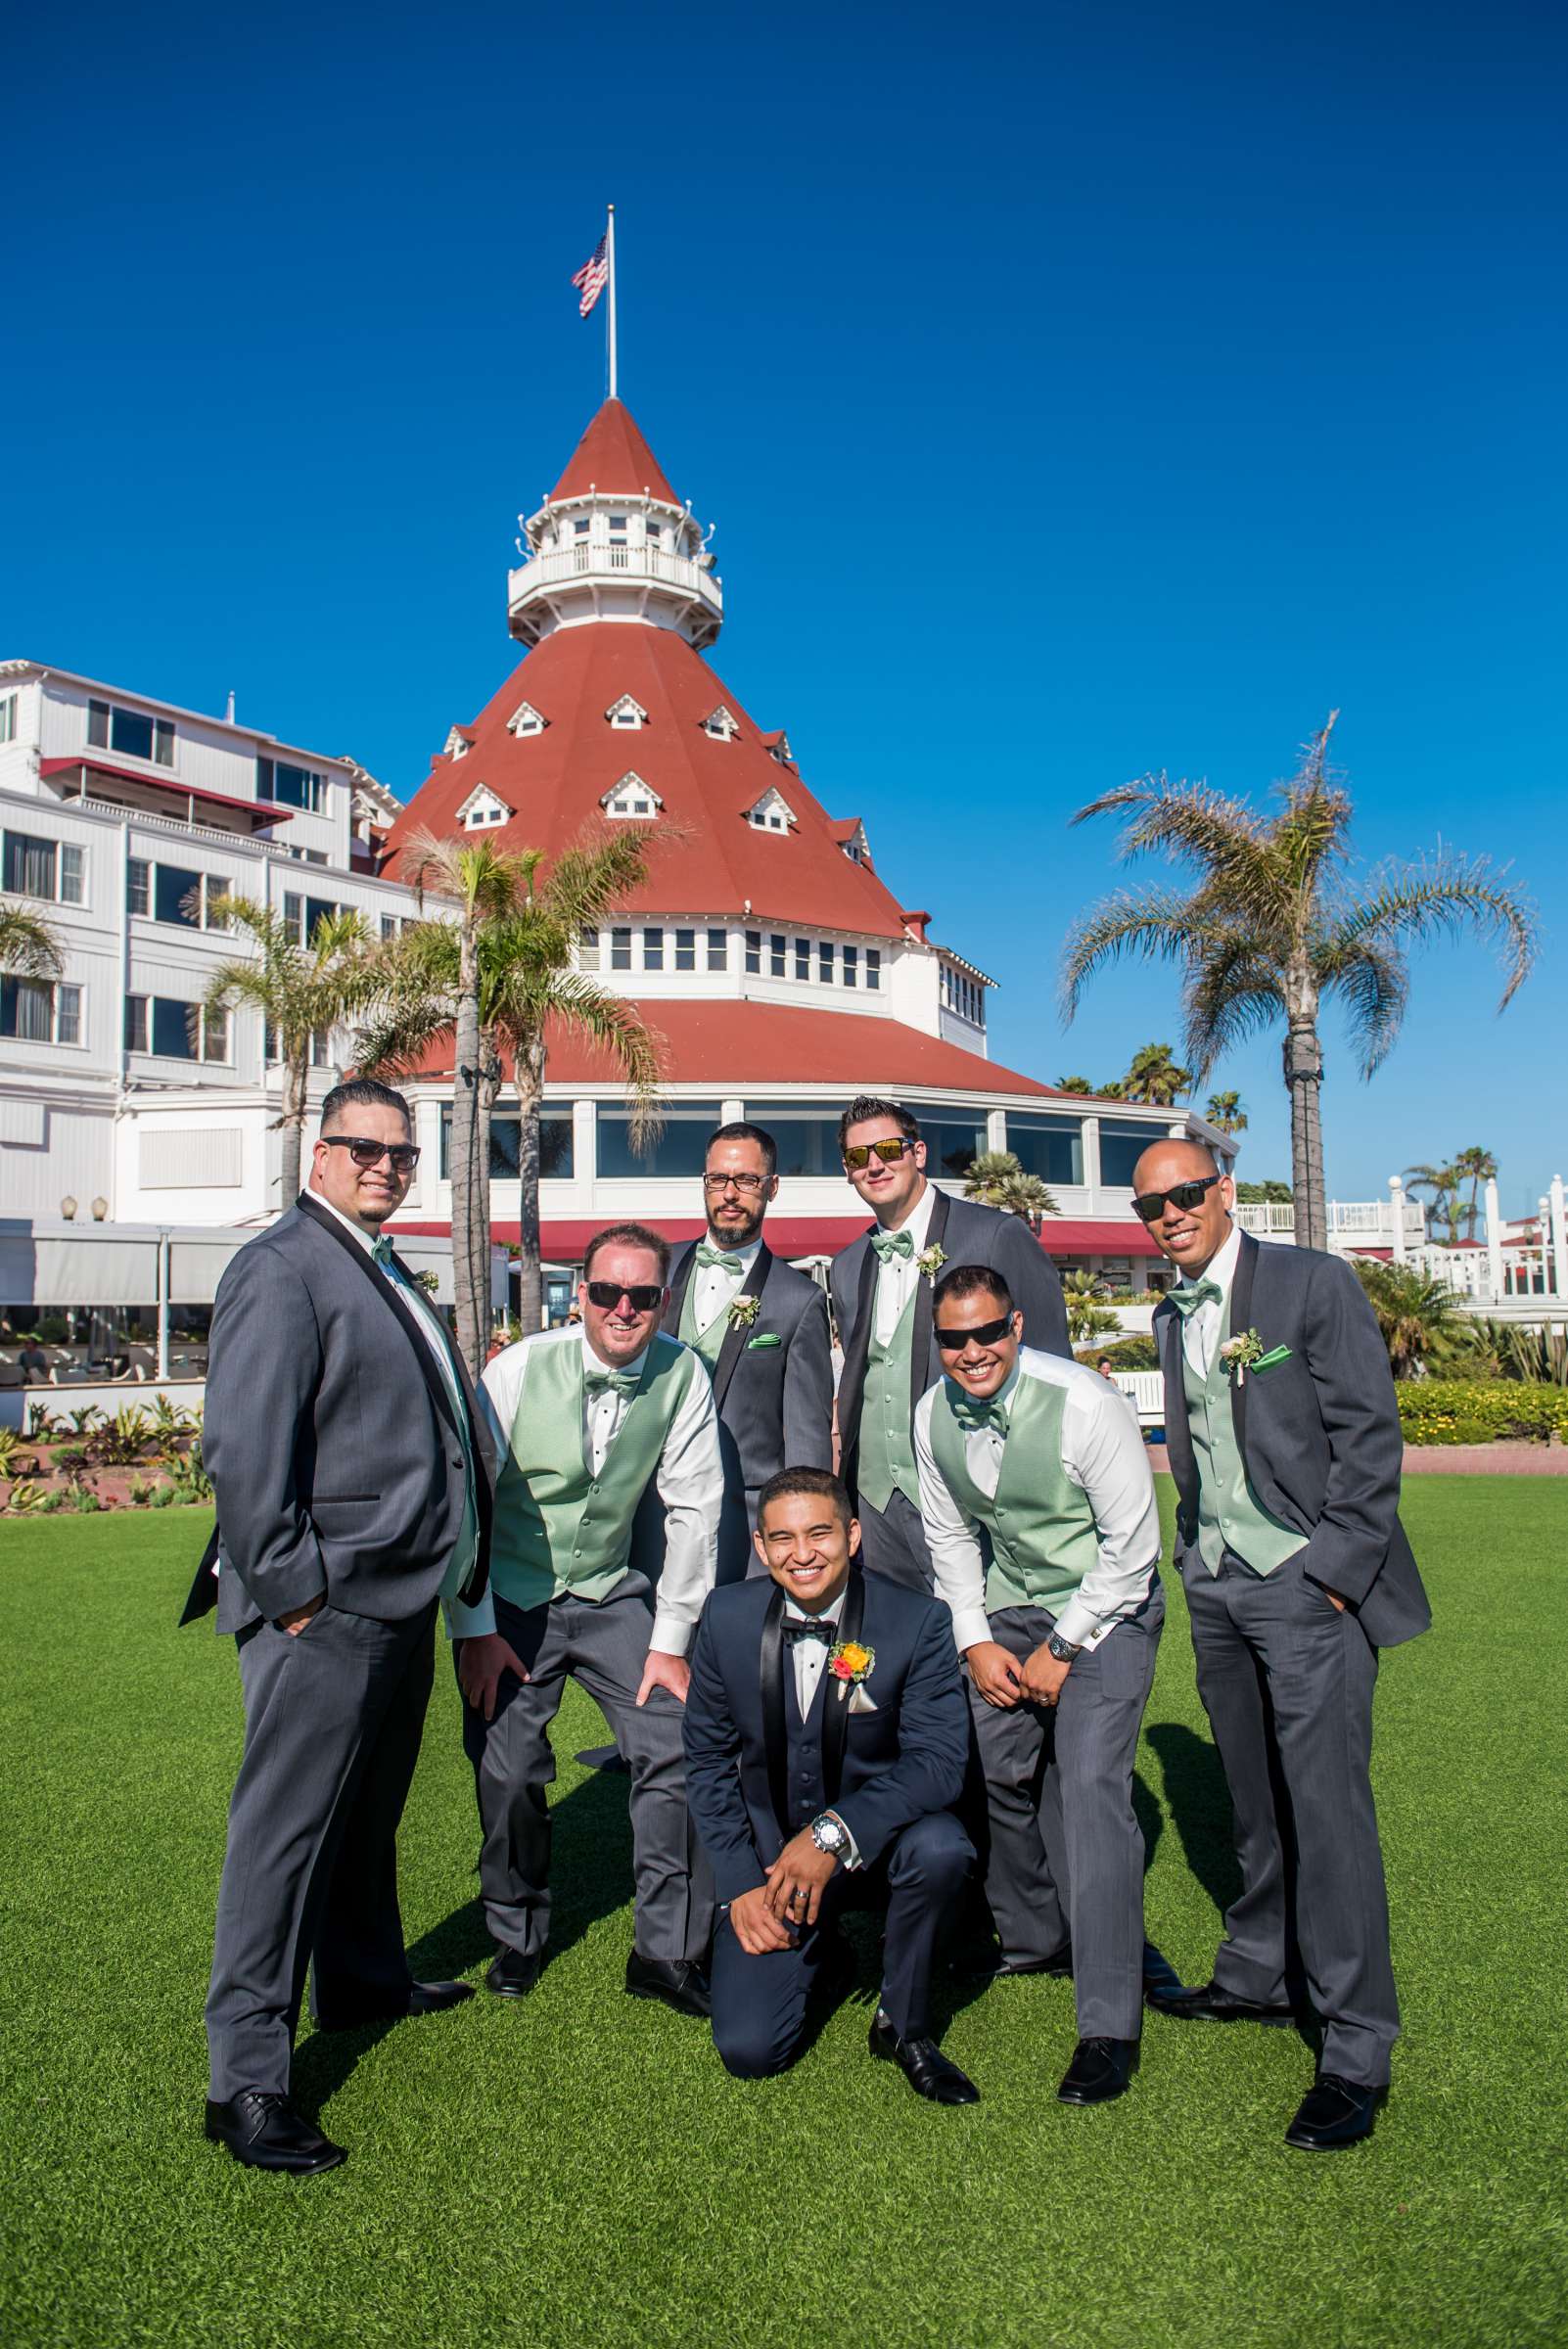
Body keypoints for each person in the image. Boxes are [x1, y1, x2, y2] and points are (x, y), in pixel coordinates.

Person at [190, 1079, 496, 2177]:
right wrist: (297, 1595)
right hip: (327, 1607)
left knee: (368, 1812)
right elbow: (242, 1454)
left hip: (397, 1598)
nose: (385, 1165)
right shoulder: (280, 1268)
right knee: (284, 1836)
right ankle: (247, 2081)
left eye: (401, 1153)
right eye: (363, 1148)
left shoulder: (372, 1260)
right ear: (317, 1155)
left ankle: (363, 1977)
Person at [1133, 1138, 1430, 2152]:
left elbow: (1370, 1436)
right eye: (1151, 1207)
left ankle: (1355, 2046)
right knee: (1250, 1796)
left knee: (1328, 1815)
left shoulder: (1310, 1282)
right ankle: (1259, 1972)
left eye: (1183, 1195)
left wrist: (1335, 1574)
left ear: (1223, 1191)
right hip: (1219, 1583)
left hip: (1307, 1589)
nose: (1168, 1215)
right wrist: (1194, 1557)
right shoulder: (1173, 1315)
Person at [453, 1222, 724, 2018]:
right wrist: (472, 1629)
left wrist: (671, 1643)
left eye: (642, 1296)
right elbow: (468, 1502)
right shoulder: (516, 1369)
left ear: (662, 1301)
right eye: (607, 1292)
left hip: (613, 1597)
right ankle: (517, 1929)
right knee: (506, 1770)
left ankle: (665, 1950)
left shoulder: (684, 1376)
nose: (623, 1309)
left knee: (675, 1744)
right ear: (582, 1292)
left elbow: (696, 1511)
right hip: (509, 1599)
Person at [914, 1264, 1164, 2106]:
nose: (974, 1351)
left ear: (1016, 1327)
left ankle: (1108, 2023)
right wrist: (977, 1640)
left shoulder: (1087, 1403)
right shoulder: (930, 1414)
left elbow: (1132, 1552)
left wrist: (1064, 1645)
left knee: (1092, 1786)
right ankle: (1033, 1936)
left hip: (1110, 1607)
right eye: (955, 1339)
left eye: (989, 1333)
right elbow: (949, 1539)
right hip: (1011, 1609)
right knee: (978, 1763)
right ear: (938, 1341)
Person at [683, 1468, 979, 2103]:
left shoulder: (918, 1621)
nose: (803, 1553)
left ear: (852, 1534)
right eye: (783, 1539)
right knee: (749, 2051)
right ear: (761, 1548)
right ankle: (825, 1955)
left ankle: (904, 2024)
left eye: (819, 1533)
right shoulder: (726, 1617)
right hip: (770, 1867)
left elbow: (938, 1763)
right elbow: (706, 1761)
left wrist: (831, 1836)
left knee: (942, 1848)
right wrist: (740, 1888)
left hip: (879, 1848)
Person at [830, 1096, 1072, 1592]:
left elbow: (1053, 1370)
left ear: (918, 1152)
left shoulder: (996, 1235)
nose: (874, 1165)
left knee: (985, 1653)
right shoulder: (847, 1264)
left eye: (889, 1149)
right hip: (875, 1507)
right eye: (858, 1157)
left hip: (975, 1499)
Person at [647, 1121, 833, 1581]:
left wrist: (799, 1534)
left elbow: (807, 1439)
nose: (730, 1193)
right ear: (705, 1183)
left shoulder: (799, 1300)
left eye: (747, 1180)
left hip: (744, 1526)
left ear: (771, 1187)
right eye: (718, 1180)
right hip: (647, 1518)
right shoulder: (656, 1271)